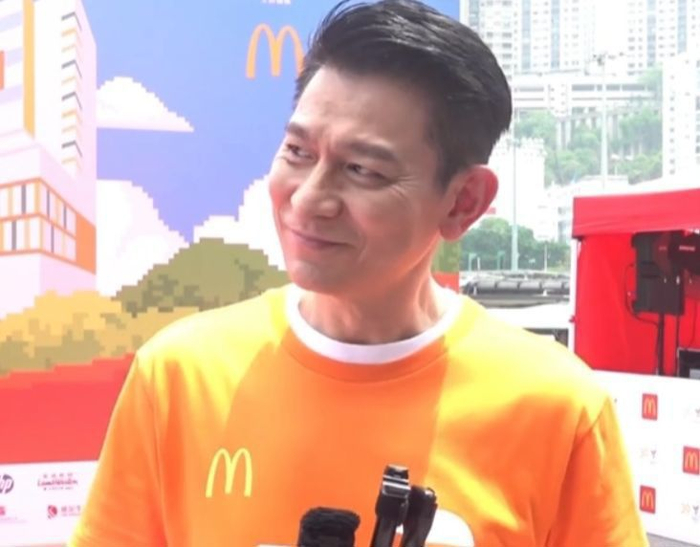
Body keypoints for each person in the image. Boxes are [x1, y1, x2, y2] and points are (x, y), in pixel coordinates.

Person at [69, 1, 649, 545]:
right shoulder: (179, 375)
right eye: (298, 153)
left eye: (362, 170)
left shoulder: (557, 407)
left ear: (463, 202)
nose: (308, 199)